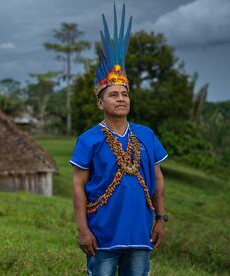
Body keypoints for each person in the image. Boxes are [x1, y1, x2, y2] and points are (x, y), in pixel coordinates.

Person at [70, 4, 169, 276]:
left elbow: (158, 179)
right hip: (101, 236)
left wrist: (161, 218)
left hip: (140, 234)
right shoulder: (89, 139)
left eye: (124, 94)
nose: (121, 98)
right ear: (101, 102)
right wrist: (82, 230)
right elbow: (78, 185)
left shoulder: (146, 135)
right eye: (114, 94)